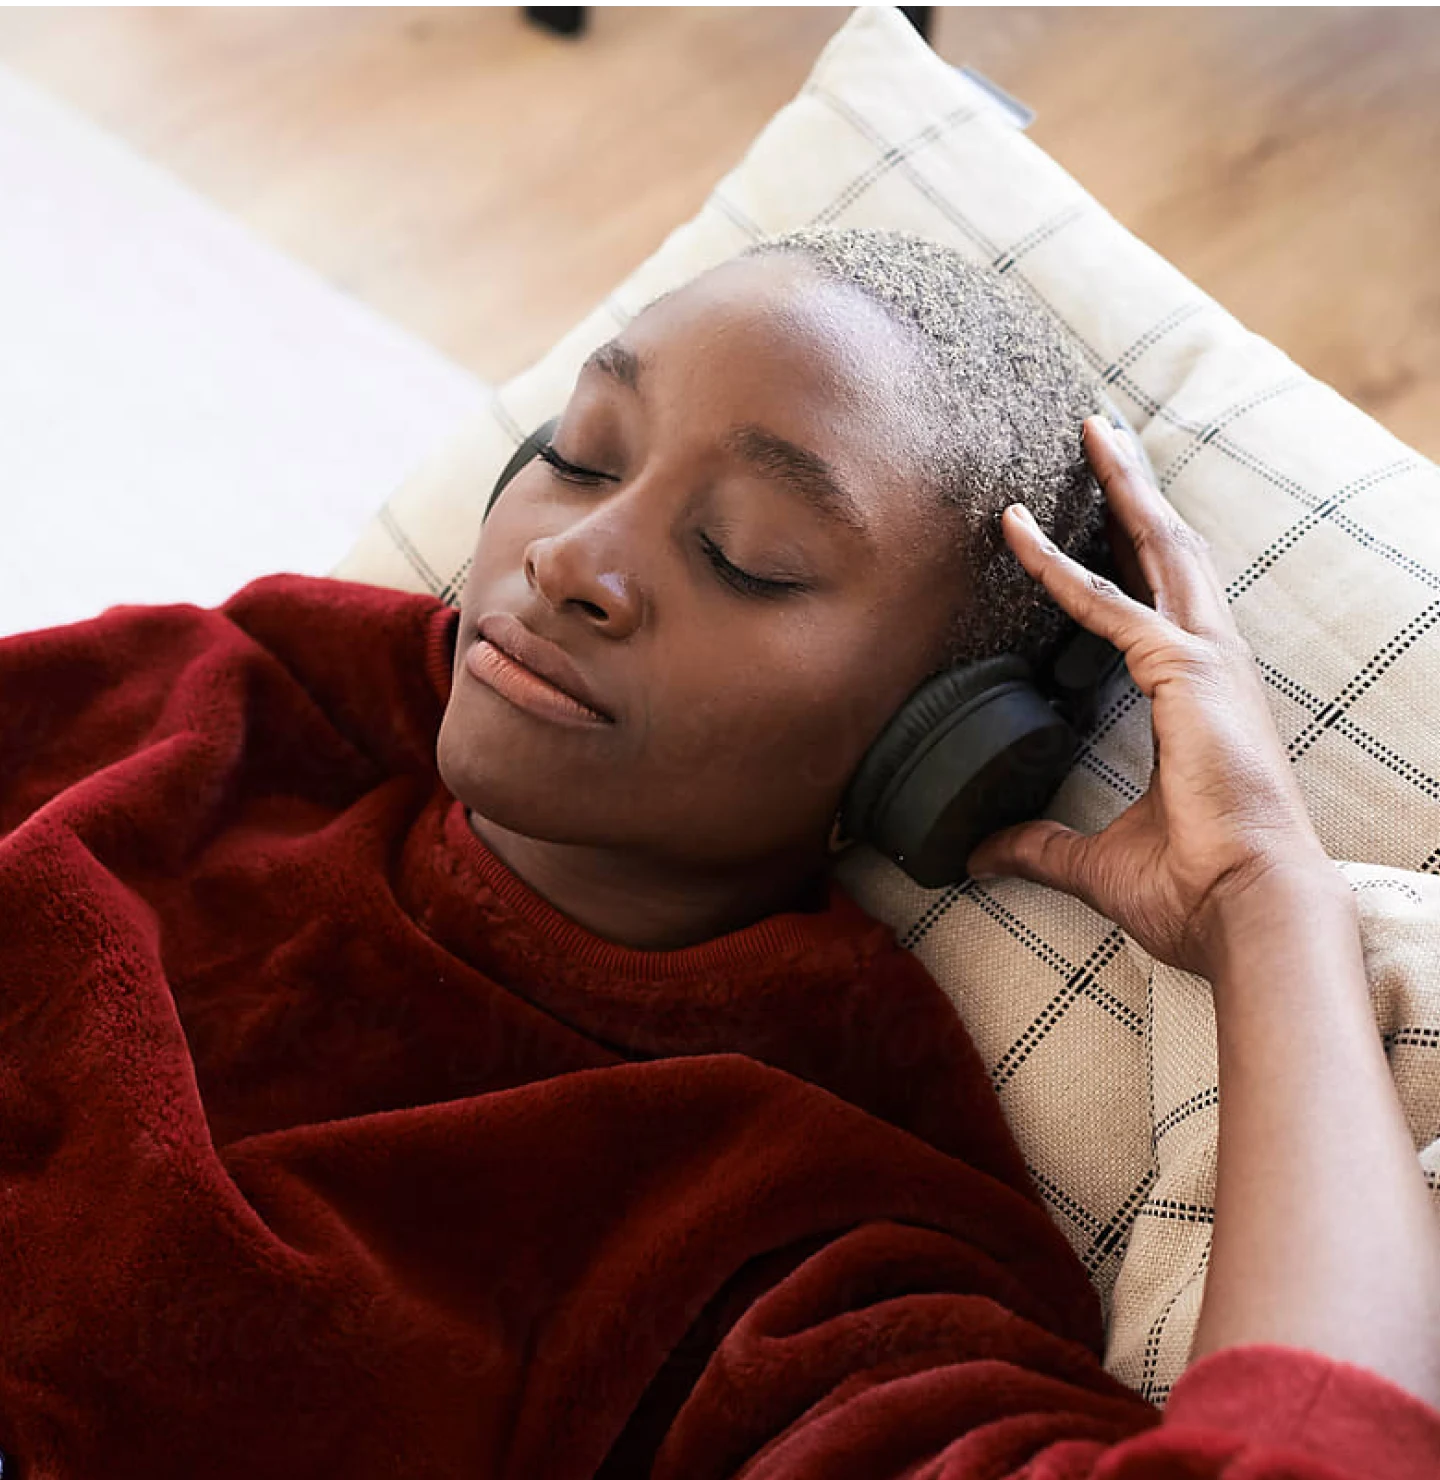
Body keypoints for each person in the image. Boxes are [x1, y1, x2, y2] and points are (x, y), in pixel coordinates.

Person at [0, 227, 1435, 1479]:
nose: (573, 559)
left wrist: (1265, 902)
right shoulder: (205, 706)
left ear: (937, 742)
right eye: (579, 454)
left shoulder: (791, 1236)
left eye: (745, 554)